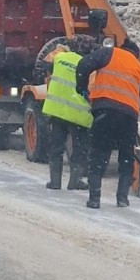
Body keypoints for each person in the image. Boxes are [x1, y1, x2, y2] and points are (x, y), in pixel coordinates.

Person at [76, 38, 140, 209]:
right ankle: (122, 198)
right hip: (129, 117)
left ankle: (94, 199)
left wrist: (82, 87)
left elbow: (83, 65)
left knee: (99, 153)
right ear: (136, 54)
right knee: (126, 157)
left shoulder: (109, 52)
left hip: (105, 111)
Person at [41, 41, 93, 191]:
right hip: (78, 114)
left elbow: (47, 66)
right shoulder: (86, 63)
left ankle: (55, 182)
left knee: (56, 147)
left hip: (58, 111)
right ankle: (75, 181)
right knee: (79, 149)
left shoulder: (59, 57)